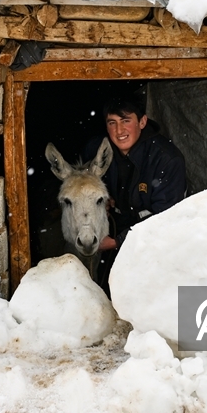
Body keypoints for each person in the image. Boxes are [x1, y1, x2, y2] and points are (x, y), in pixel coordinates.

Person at [83, 97, 187, 287]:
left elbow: (166, 219)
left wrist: (116, 242)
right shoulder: (99, 150)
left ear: (142, 121)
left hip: (152, 239)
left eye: (126, 121)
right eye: (112, 123)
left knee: (144, 292)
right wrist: (103, 198)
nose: (119, 131)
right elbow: (84, 185)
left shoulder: (167, 159)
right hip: (116, 226)